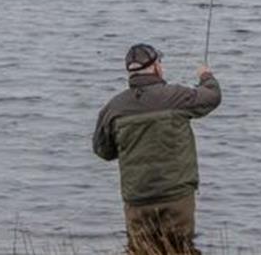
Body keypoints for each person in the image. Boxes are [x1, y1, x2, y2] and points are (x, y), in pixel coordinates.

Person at [93, 44, 221, 254]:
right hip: (176, 197)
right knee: (180, 250)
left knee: (140, 251)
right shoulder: (176, 96)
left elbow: (103, 151)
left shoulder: (112, 108)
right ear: (156, 68)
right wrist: (206, 76)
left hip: (138, 200)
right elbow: (213, 96)